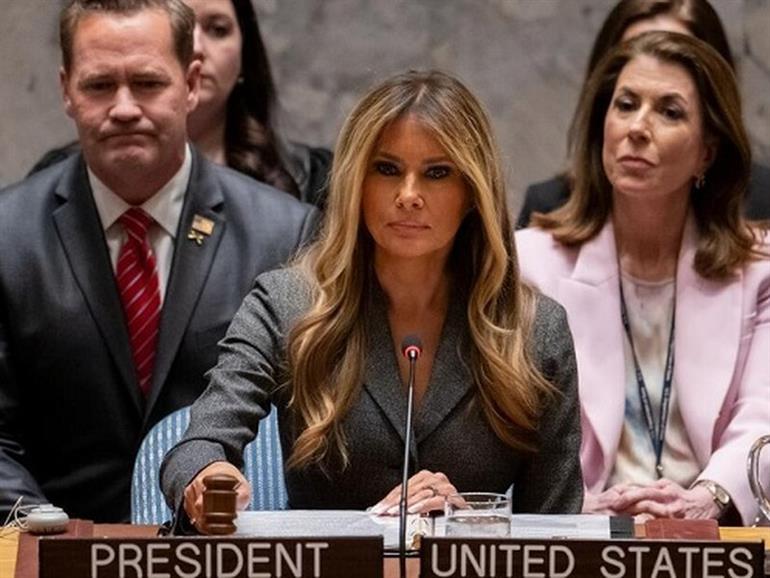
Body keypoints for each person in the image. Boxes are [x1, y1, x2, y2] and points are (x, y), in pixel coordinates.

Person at [161, 70, 583, 532]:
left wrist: (463, 525)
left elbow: (556, 533)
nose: (408, 196)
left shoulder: (537, 330)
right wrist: (209, 476)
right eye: (386, 169)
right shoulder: (286, 305)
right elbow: (198, 446)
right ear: (356, 183)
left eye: (437, 173)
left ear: (472, 193)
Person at [0, 0, 318, 523]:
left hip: (221, 548)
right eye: (100, 85)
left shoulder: (283, 234)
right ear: (66, 90)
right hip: (52, 545)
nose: (124, 108)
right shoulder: (9, 236)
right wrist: (50, 537)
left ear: (190, 84)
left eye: (147, 83)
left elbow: (311, 433)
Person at [516, 31, 770, 525]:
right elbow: (502, 439)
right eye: (626, 105)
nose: (637, 128)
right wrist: (572, 505)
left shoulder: (759, 270)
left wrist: (708, 497)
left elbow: (763, 415)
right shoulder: (528, 265)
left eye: (669, 112)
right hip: (580, 537)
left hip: (713, 537)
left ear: (707, 152)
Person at [29, 0, 332, 207]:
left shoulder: (309, 179)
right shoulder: (55, 182)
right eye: (181, 26)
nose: (195, 46)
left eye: (217, 29)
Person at [516, 0, 770, 229]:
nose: (650, 65)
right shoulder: (547, 210)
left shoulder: (763, 205)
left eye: (676, 55)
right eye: (627, 103)